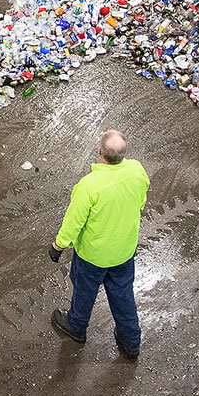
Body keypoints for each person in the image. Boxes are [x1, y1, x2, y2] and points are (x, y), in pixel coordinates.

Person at [49, 130, 150, 360]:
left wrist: (58, 245)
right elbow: (141, 201)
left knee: (84, 292)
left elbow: (74, 222)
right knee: (123, 294)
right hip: (124, 251)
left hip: (92, 256)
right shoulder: (137, 171)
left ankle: (76, 327)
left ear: (100, 152)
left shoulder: (89, 186)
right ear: (124, 154)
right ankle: (130, 341)